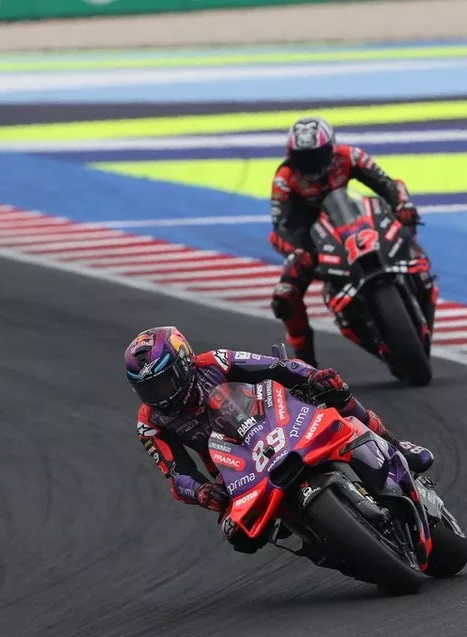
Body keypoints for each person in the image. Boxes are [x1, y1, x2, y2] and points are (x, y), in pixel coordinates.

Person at [126, 325, 434, 554]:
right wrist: (201, 492)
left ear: (184, 363)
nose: (160, 396)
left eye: (165, 383)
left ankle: (395, 445)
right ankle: (333, 548)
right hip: (234, 468)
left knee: (334, 392)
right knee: (239, 536)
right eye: (150, 390)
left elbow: (277, 367)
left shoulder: (215, 362)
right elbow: (177, 474)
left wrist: (311, 378)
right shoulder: (150, 422)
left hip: (277, 420)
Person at [268, 116, 436, 367]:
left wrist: (403, 205)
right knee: (285, 296)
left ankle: (418, 281)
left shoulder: (350, 157)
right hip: (311, 240)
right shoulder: (284, 179)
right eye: (303, 158)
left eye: (316, 156)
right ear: (291, 156)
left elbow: (388, 185)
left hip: (353, 222)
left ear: (331, 149)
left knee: (405, 230)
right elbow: (280, 229)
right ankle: (305, 365)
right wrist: (297, 251)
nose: (310, 164)